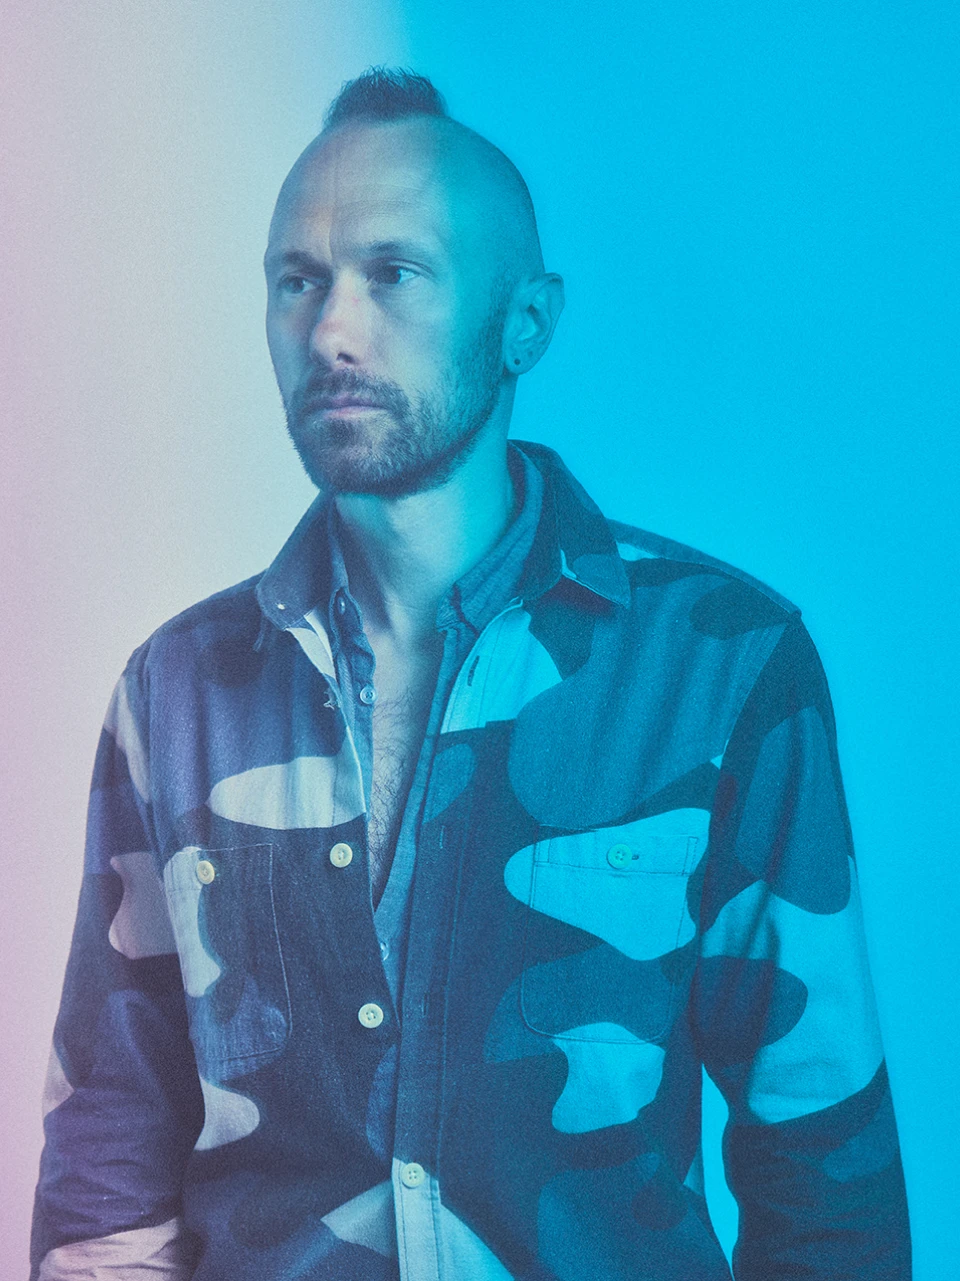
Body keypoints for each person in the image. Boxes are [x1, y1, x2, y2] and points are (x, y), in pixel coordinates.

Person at [31, 68, 911, 1281]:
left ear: (526, 322)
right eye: (298, 281)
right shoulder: (176, 693)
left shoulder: (721, 665)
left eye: (394, 274)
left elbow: (823, 1166)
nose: (332, 329)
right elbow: (111, 1150)